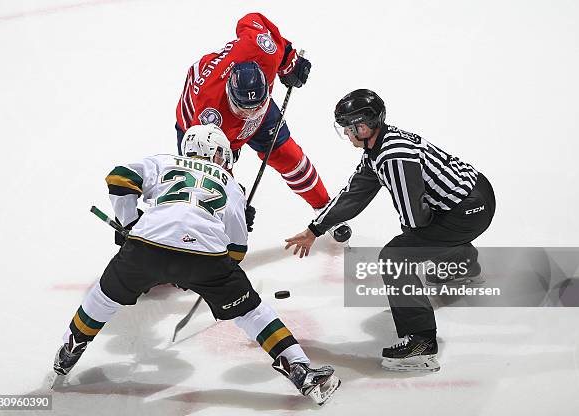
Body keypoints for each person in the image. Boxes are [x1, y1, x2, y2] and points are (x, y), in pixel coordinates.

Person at [52, 124, 340, 405]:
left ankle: (71, 346)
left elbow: (119, 178)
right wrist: (207, 273)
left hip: (145, 248)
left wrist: (130, 222)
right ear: (215, 152)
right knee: (251, 312)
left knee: (103, 297)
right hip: (205, 260)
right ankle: (299, 368)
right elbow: (237, 251)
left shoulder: (164, 162)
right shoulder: (231, 185)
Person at [285, 89, 496, 372]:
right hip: (474, 196)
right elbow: (354, 194)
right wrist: (316, 228)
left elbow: (415, 219)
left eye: (349, 128)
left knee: (395, 258)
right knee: (423, 236)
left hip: (468, 212)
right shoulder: (380, 144)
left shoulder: (391, 156)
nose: (347, 135)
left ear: (363, 126)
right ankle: (460, 267)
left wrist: (414, 246)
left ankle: (422, 344)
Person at [175, 12, 350, 242]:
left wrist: (289, 61)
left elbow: (252, 19)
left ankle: (325, 209)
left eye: (255, 108)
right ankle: (205, 243)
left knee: (290, 157)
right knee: (206, 192)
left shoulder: (262, 51)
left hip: (250, 112)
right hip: (209, 132)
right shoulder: (208, 117)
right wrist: (233, 206)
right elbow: (213, 178)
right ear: (230, 94)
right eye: (244, 110)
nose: (249, 115)